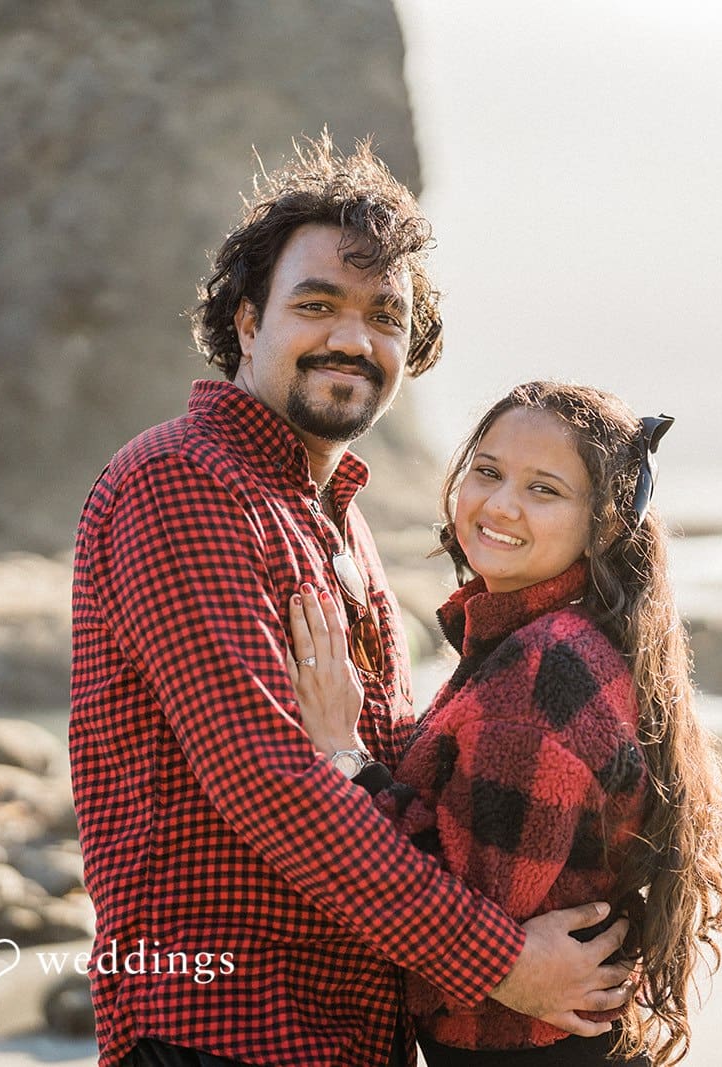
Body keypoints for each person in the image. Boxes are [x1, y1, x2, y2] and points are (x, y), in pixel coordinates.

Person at [69, 137, 633, 1067]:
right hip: (223, 1029)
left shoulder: (338, 519)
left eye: (386, 315)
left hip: (346, 1036)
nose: (353, 338)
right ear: (248, 324)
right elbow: (268, 783)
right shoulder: (183, 483)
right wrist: (507, 966)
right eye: (317, 304)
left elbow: (392, 792)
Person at [288, 381, 722, 1067]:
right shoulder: (570, 635)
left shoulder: (540, 672)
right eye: (489, 471)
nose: (500, 504)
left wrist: (345, 755)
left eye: (544, 489)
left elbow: (467, 920)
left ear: (604, 522)